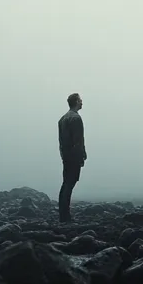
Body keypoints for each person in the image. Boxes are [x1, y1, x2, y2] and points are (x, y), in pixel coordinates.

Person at [57, 92, 87, 223]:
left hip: (66, 155)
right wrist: (81, 155)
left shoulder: (62, 119)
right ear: (75, 102)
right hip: (73, 156)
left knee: (66, 184)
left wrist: (63, 155)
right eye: (80, 100)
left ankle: (63, 215)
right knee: (70, 183)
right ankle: (65, 216)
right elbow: (78, 140)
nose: (82, 102)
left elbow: (61, 141)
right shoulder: (75, 118)